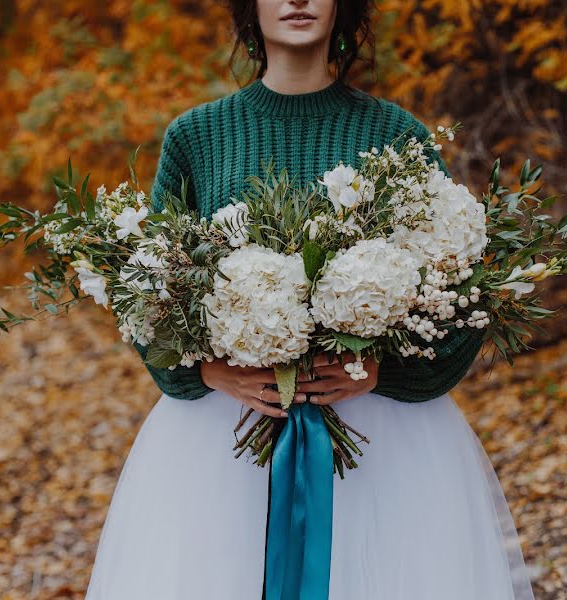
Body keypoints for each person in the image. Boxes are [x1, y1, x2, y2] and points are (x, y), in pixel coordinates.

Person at [85, 1, 535, 598]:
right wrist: (211, 370)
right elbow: (147, 292)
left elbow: (459, 286)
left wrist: (381, 371)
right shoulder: (197, 138)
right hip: (227, 441)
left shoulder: (397, 136)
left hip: (379, 441)